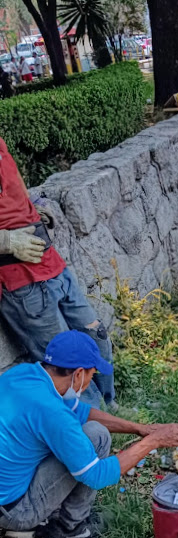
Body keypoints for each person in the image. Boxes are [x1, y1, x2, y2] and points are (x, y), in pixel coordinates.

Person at [0, 330, 178, 538]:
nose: (89, 381)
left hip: (6, 495)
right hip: (15, 510)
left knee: (91, 430)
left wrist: (140, 429)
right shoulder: (53, 413)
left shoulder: (23, 374)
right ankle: (69, 529)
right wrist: (152, 441)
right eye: (91, 375)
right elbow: (97, 476)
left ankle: (32, 518)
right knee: (98, 437)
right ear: (78, 374)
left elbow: (82, 411)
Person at [0, 136, 114, 409]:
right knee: (66, 364)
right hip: (21, 283)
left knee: (96, 338)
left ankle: (110, 408)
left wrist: (31, 205)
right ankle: (93, 434)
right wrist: (5, 241)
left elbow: (12, 187)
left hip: (50, 263)